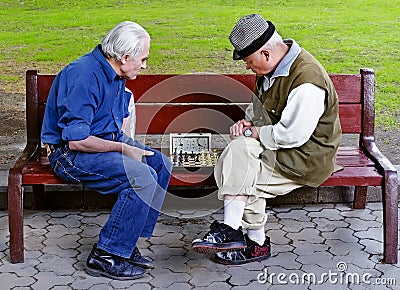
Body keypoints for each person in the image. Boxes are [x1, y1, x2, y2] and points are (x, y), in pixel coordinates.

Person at [192, 14, 341, 265]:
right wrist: (248, 124)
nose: (247, 67)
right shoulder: (271, 68)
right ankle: (239, 234)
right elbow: (259, 113)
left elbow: (291, 135)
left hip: (305, 158)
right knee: (239, 154)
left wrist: (255, 132)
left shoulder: (306, 80)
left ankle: (252, 239)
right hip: (278, 150)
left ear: (266, 54)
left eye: (249, 62)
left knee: (241, 177)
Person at [41, 21, 172, 280]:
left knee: (160, 164)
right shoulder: (83, 76)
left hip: (103, 143)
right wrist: (124, 150)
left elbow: (116, 121)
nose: (144, 65)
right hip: (69, 155)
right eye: (143, 59)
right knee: (140, 178)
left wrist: (125, 146)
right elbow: (76, 141)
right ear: (124, 57)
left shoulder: (116, 73)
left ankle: (126, 240)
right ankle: (106, 255)